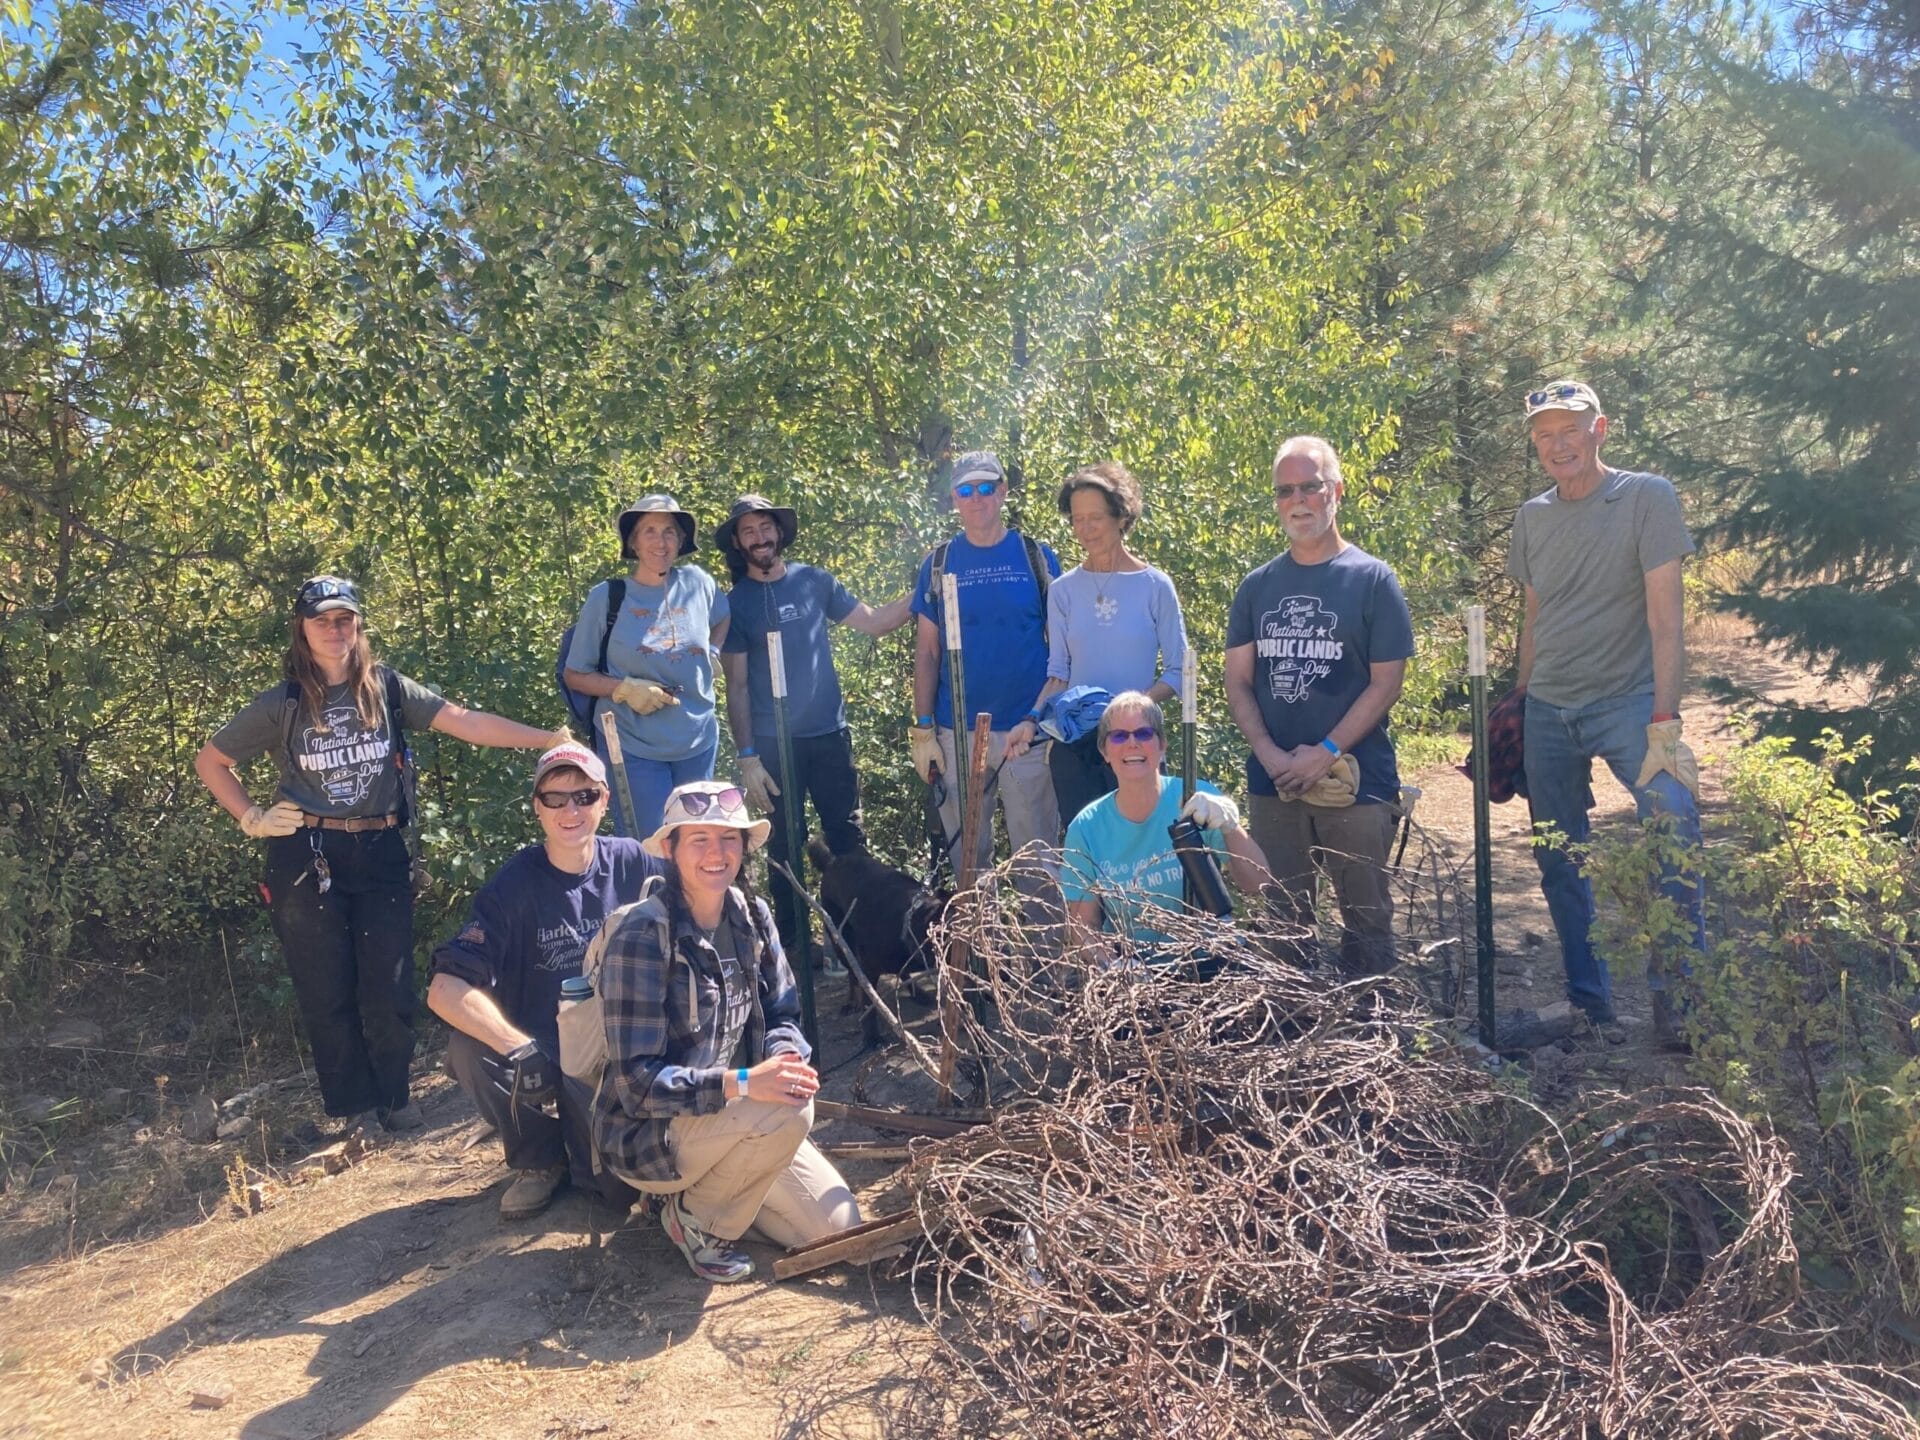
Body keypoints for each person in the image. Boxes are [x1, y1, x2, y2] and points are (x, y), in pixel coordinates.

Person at [195, 576, 567, 1136]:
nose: (334, 629)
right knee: (326, 987)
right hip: (306, 854)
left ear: (359, 625)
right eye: (321, 620)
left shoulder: (388, 689)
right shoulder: (283, 703)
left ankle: (394, 1099)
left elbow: (464, 722)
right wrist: (253, 818)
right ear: (302, 628)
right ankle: (353, 1111)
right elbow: (211, 762)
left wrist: (547, 740)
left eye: (344, 618)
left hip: (381, 849)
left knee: (389, 982)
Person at [591, 781, 861, 1282]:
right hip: (650, 1134)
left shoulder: (753, 916)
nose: (717, 854)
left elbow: (783, 1016)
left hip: (739, 1119)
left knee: (839, 1234)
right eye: (699, 840)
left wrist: (784, 1061)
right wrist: (745, 1084)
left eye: (729, 839)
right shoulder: (643, 936)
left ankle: (703, 1199)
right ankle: (694, 1220)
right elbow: (635, 1085)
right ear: (670, 850)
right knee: (790, 1109)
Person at [1509, 380, 1703, 1038]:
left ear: (1601, 429)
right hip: (1550, 710)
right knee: (1558, 856)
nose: (1557, 444)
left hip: (1630, 703)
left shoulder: (1647, 498)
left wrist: (1665, 725)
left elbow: (1666, 623)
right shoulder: (1533, 516)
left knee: (1674, 822)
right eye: (1544, 435)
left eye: (1570, 430)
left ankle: (1681, 1001)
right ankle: (1590, 1002)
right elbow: (1536, 617)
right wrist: (1517, 703)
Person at [426, 743, 659, 1220]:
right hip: (545, 1048)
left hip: (621, 1046)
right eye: (555, 798)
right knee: (467, 1047)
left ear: (604, 802)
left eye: (585, 796)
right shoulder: (512, 887)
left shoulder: (634, 861)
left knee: (614, 1195)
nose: (570, 809)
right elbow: (444, 989)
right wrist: (519, 1048)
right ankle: (538, 1160)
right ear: (537, 806)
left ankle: (592, 1152)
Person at [1225, 436, 1415, 976]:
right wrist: (1266, 751)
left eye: (1310, 486)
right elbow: (1238, 680)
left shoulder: (1373, 580)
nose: (1298, 500)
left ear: (1337, 491)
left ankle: (1372, 1036)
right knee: (1283, 923)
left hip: (1355, 781)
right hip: (1275, 783)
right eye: (1285, 490)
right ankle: (1295, 1041)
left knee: (1367, 919)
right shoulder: (1257, 587)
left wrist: (1324, 752)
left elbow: (1386, 683)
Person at [715, 493, 913, 951]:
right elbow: (737, 687)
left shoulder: (813, 582)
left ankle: (855, 944)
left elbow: (877, 621)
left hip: (829, 736)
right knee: (784, 847)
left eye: (765, 528)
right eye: (748, 531)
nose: (759, 537)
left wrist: (925, 587)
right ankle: (793, 950)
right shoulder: (735, 604)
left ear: (779, 532)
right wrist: (747, 758)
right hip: (772, 744)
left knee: (847, 841)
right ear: (738, 543)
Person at [908, 450, 1062, 898]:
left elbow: (1062, 649)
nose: (976, 499)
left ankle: (1046, 964)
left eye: (986, 488)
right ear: (954, 498)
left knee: (1038, 858)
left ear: (1003, 492)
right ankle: (979, 960)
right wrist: (922, 731)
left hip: (1026, 731)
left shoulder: (1036, 557)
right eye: (965, 490)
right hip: (956, 731)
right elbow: (928, 653)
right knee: (969, 863)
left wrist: (1046, 714)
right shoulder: (938, 564)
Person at [1006, 461, 1189, 830]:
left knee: (1145, 849)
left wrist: (1131, 710)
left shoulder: (1155, 586)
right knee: (1087, 858)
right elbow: (1058, 673)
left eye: (1096, 518)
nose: (1085, 529)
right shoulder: (1062, 591)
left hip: (1137, 741)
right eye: (1077, 519)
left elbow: (1180, 671)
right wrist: (1031, 720)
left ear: (1121, 517)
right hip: (1076, 747)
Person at [562, 493, 730, 841]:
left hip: (697, 742)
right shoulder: (608, 598)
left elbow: (723, 617)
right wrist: (623, 689)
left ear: (682, 540)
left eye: (669, 531)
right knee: (651, 846)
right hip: (634, 745)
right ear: (633, 542)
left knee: (696, 840)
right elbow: (574, 674)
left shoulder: (699, 584)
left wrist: (712, 650)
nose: (661, 541)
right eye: (649, 531)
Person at [1060, 693, 1269, 960]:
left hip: (1213, 960)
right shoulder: (1086, 827)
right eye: (1119, 736)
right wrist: (1114, 967)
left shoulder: (1195, 798)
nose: (1132, 743)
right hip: (1135, 971)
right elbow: (1082, 926)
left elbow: (1259, 884)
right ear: (1105, 751)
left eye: (1144, 733)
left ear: (1162, 746)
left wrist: (1231, 827)